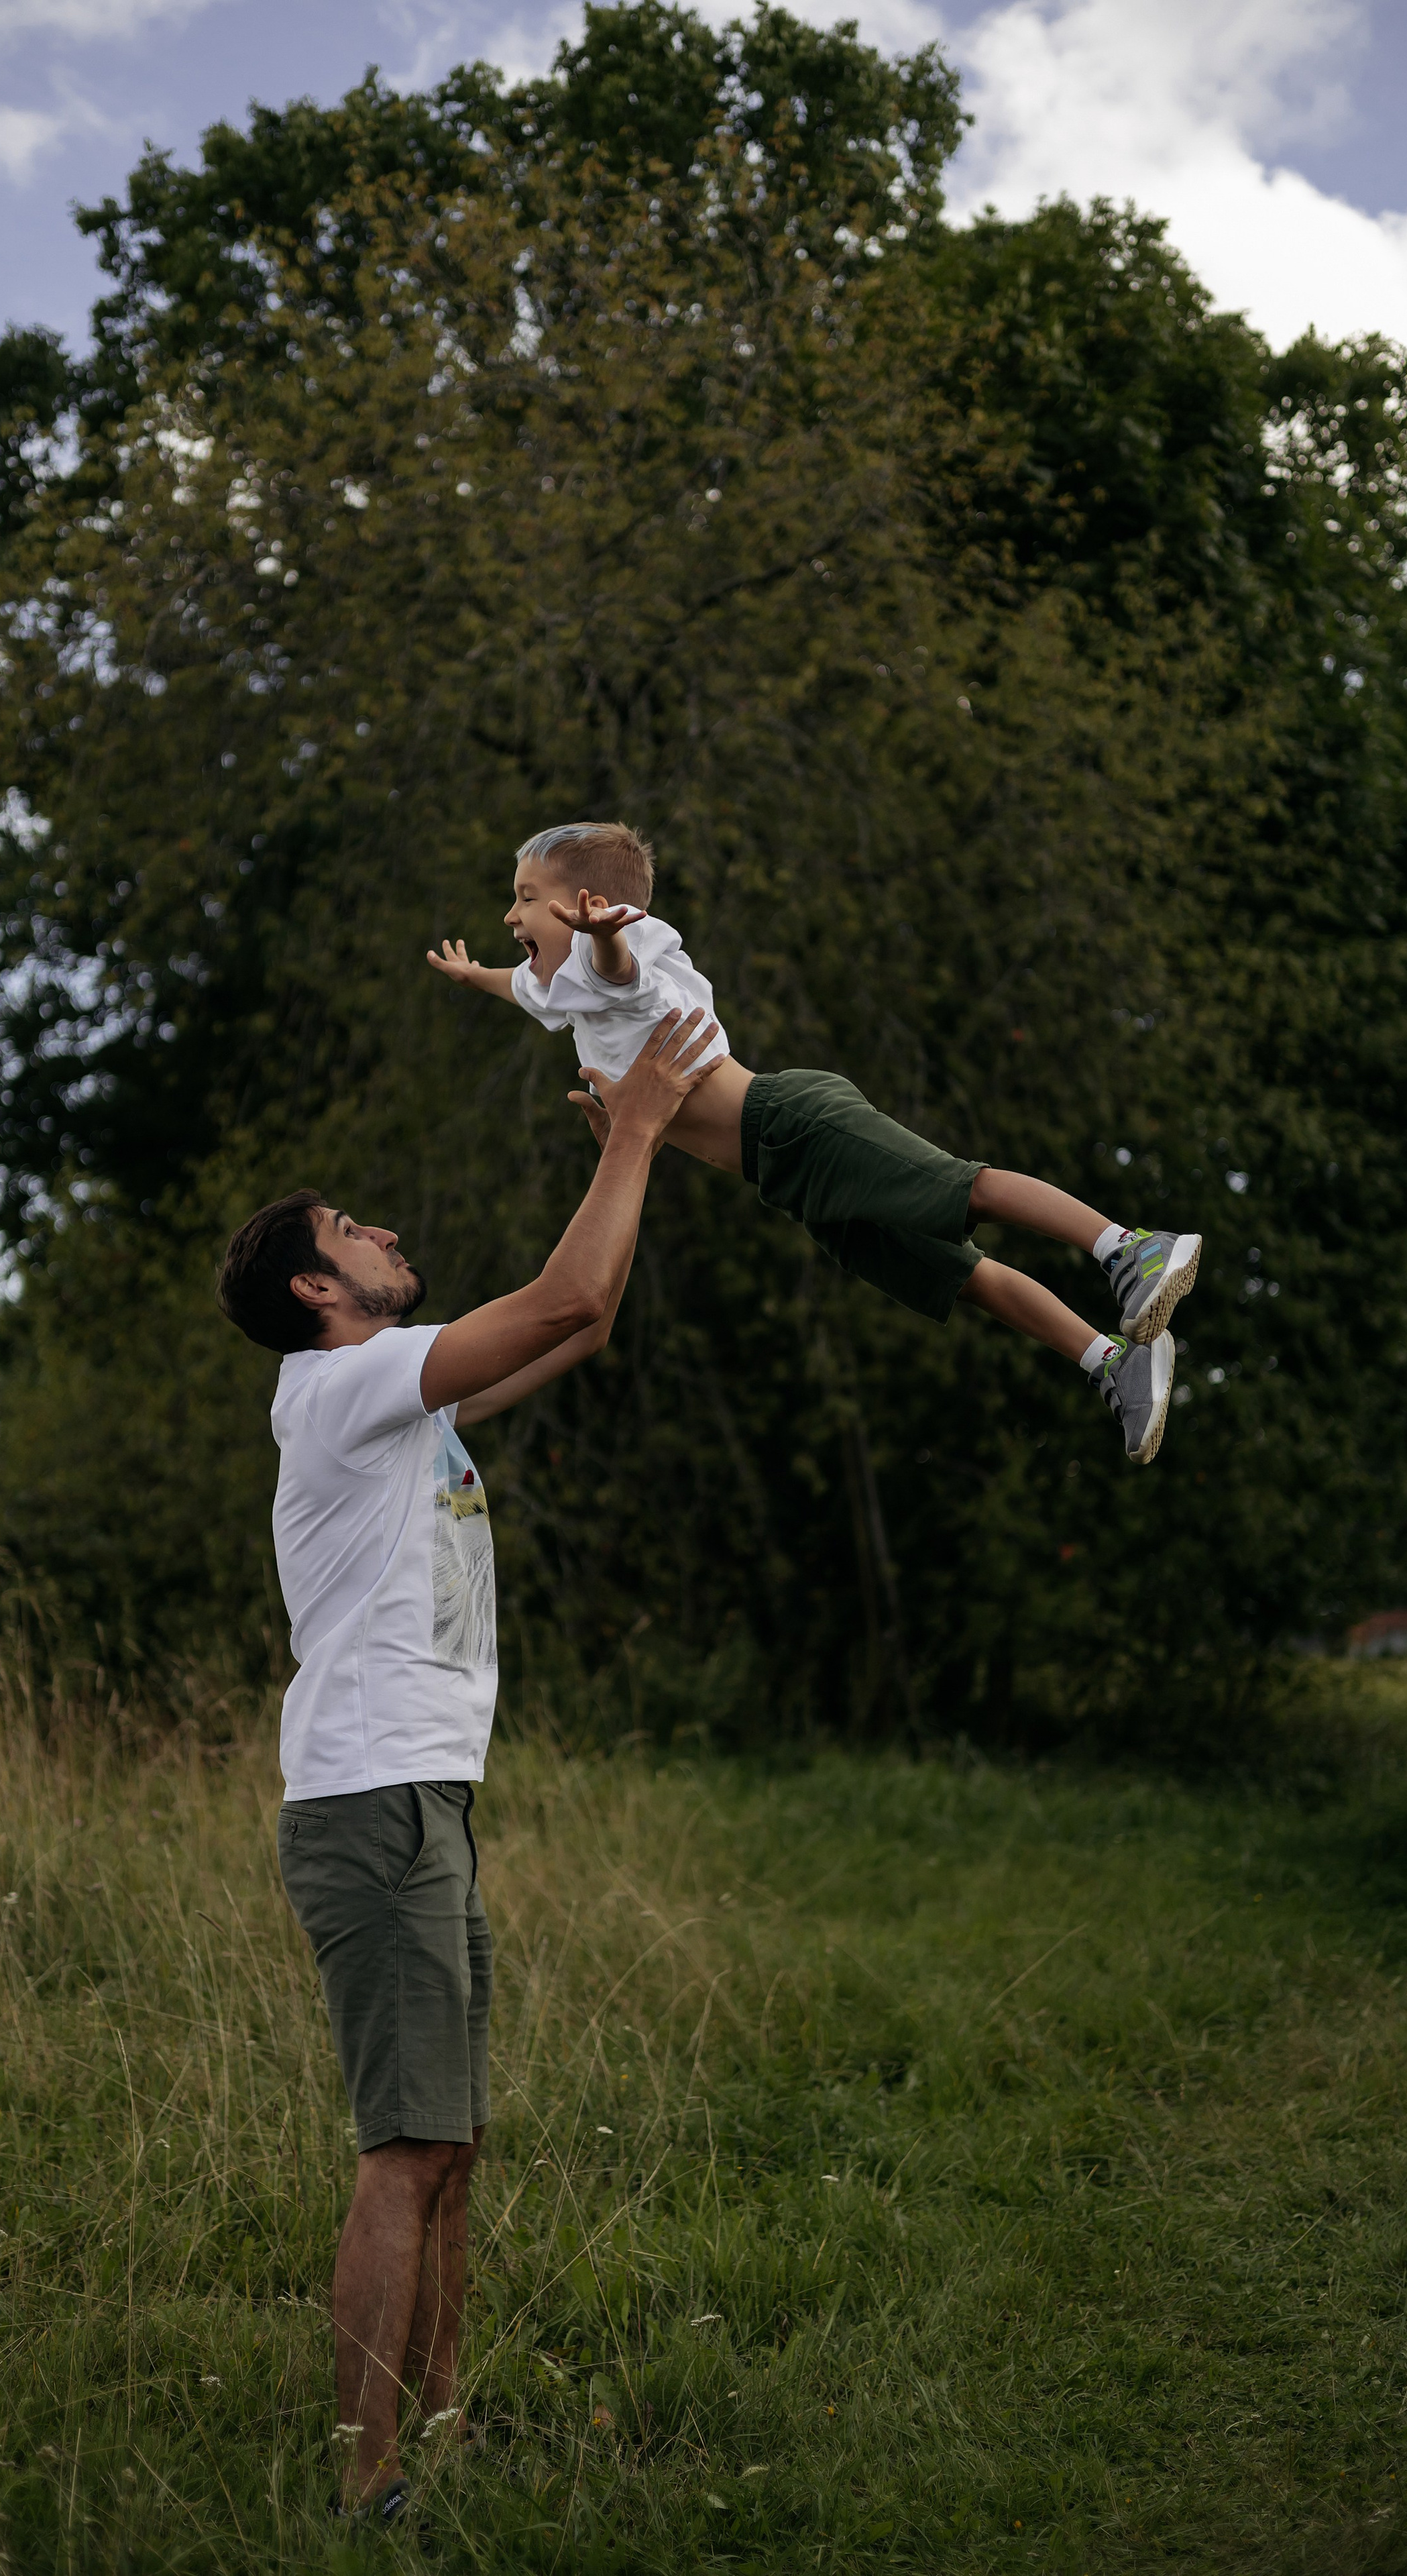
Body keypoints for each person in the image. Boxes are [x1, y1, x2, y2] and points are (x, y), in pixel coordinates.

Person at [215, 1008, 716, 2529]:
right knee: (402, 2146)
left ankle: (437, 2426)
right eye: (346, 1228)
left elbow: (582, 1318)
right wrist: (632, 1132)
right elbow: (563, 1287)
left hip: (420, 1795)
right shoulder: (346, 1384)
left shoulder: (402, 1399)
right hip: (370, 1805)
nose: (378, 1230)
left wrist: (628, 1160)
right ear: (319, 1288)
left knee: (452, 2140)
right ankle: (367, 2481)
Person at [429, 820, 1203, 1466]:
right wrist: (476, 979)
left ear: (588, 905)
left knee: (963, 1188)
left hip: (792, 1121)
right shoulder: (556, 985)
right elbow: (526, 987)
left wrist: (604, 940)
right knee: (960, 1277)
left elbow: (621, 973)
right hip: (787, 1179)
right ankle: (1113, 1364)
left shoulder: (617, 966)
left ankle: (1128, 1246)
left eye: (525, 898)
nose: (509, 915)